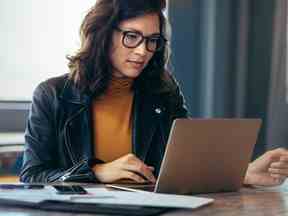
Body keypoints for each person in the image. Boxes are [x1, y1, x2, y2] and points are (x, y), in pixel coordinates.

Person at [20, 0, 288, 187]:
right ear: (103, 34)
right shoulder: (52, 95)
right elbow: (32, 175)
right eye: (132, 36)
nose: (142, 51)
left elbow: (186, 167)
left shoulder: (163, 91)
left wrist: (244, 173)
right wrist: (96, 172)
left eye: (152, 40)